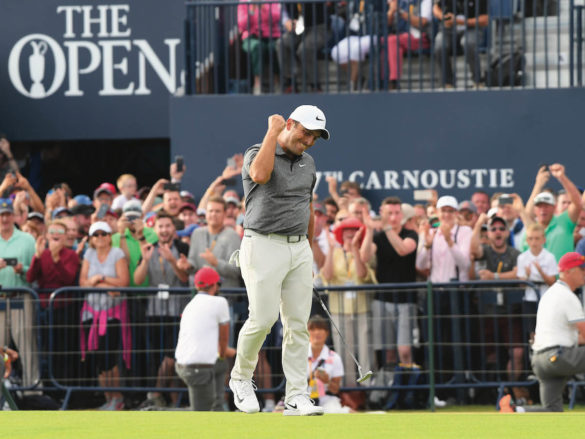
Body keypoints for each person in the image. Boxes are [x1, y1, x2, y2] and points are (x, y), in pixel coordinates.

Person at [229, 104, 329, 416]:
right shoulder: (257, 151)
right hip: (262, 242)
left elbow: (308, 207)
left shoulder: (309, 162)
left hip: (298, 248)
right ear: (289, 124)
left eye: (315, 136)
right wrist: (272, 131)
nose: (309, 140)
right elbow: (260, 174)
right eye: (305, 132)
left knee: (298, 324)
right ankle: (240, 378)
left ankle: (297, 395)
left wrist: (308, 252)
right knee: (262, 318)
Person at [499, 252, 585, 413]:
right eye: (581, 269)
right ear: (567, 271)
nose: (584, 273)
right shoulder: (568, 296)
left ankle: (516, 411)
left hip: (540, 360)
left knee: (552, 411)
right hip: (558, 356)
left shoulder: (550, 294)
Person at [134, 211, 190, 409]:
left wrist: (173, 261)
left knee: (171, 356)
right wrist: (147, 260)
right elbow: (138, 280)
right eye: (161, 226)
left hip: (177, 311)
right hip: (154, 311)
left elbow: (185, 278)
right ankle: (172, 402)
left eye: (168, 226)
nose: (164, 230)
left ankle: (156, 393)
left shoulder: (183, 247)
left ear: (173, 228)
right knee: (159, 358)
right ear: (155, 229)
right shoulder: (149, 249)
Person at [79, 221, 130, 411]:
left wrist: (99, 280)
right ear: (91, 238)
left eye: (104, 233)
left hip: (112, 314)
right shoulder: (89, 254)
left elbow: (123, 282)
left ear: (110, 236)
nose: (100, 237)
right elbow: (83, 282)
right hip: (91, 313)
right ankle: (109, 398)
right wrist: (104, 285)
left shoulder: (117, 253)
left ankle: (117, 397)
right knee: (98, 357)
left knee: (109, 357)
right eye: (96, 234)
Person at [320, 217, 375, 385]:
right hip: (339, 310)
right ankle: (348, 391)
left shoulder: (366, 252)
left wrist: (355, 250)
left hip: (361, 309)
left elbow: (361, 274)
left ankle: (367, 390)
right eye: (346, 230)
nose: (350, 233)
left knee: (365, 351)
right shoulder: (335, 253)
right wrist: (330, 249)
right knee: (344, 352)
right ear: (340, 233)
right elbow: (327, 276)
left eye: (354, 229)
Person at [26, 220, 80, 382]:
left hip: (64, 308)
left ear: (65, 237)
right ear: (47, 235)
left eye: (60, 233)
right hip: (44, 308)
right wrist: (37, 256)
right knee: (45, 348)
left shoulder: (71, 255)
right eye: (53, 232)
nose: (56, 236)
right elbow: (31, 277)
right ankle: (48, 386)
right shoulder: (43, 253)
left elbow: (68, 278)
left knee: (64, 349)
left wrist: (56, 259)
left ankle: (64, 386)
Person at [370, 196, 418, 367]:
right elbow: (366, 257)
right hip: (382, 299)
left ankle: (409, 387)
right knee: (388, 351)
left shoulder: (411, 234)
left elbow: (403, 250)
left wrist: (387, 228)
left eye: (397, 213)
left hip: (406, 300)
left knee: (404, 350)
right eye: (389, 213)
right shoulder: (378, 237)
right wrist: (369, 230)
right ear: (383, 213)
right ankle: (391, 388)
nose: (394, 216)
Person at [175, 267, 231, 411]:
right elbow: (224, 338)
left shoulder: (190, 305)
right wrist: (224, 354)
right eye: (219, 284)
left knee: (222, 365)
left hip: (183, 364)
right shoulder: (220, 302)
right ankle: (216, 407)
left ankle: (218, 406)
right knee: (201, 416)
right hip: (197, 368)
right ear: (213, 285)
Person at [0, 197, 38, 388]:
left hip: (21, 297)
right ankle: (2, 391)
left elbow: (35, 271)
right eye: (1, 215)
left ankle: (32, 389)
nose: (4, 219)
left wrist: (22, 269)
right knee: (0, 348)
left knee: (26, 345)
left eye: (7, 214)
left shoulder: (27, 239)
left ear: (14, 216)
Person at [523, 164, 583, 261]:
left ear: (554, 207)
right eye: (539, 206)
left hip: (563, 276)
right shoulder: (531, 229)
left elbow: (577, 203)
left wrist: (562, 177)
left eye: (546, 206)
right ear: (535, 209)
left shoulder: (564, 222)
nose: (543, 209)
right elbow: (527, 214)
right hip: (535, 276)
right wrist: (538, 184)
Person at [432, 0, 488, 88]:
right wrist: (444, 18)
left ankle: (477, 81)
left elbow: (485, 19)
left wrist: (460, 21)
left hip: (471, 29)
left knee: (468, 42)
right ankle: (447, 83)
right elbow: (435, 7)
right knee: (439, 44)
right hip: (448, 30)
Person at [306, 315, 351, 413]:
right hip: (303, 398)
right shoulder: (299, 355)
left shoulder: (334, 357)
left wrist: (327, 381)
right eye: (312, 329)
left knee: (334, 412)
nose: (317, 332)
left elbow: (335, 390)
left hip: (325, 398)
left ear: (327, 333)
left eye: (320, 329)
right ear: (306, 333)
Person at [384, 0, 432, 89]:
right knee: (384, 41)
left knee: (392, 41)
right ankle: (378, 80)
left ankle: (393, 82)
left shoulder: (425, 1)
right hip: (401, 38)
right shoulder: (398, 2)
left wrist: (400, 11)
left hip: (420, 38)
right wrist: (391, 11)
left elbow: (422, 22)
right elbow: (386, 24)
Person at [237, 0, 281, 95]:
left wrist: (264, 7)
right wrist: (252, 10)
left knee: (274, 48)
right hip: (251, 38)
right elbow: (242, 24)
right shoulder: (244, 2)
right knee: (258, 47)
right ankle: (257, 85)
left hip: (271, 37)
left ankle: (277, 84)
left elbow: (276, 17)